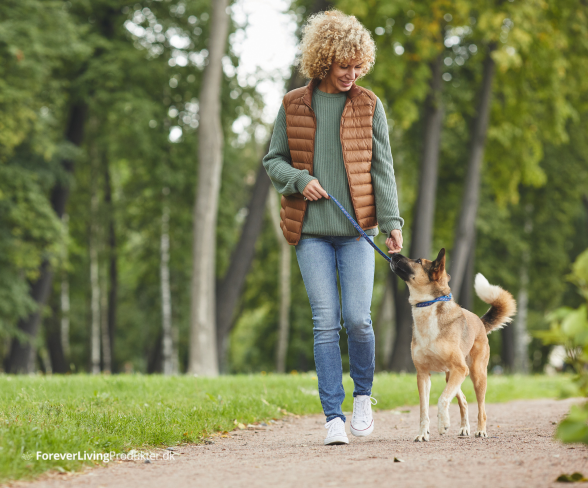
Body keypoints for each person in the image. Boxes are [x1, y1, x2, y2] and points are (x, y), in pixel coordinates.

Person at [262, 10, 404, 446]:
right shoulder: (293, 104)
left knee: (359, 320)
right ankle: (332, 418)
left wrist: (392, 222)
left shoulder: (369, 105)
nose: (352, 74)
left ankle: (363, 397)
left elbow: (383, 169)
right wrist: (300, 180)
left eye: (359, 66)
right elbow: (273, 160)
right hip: (311, 232)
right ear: (325, 61)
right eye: (345, 66)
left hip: (358, 231)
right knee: (325, 323)